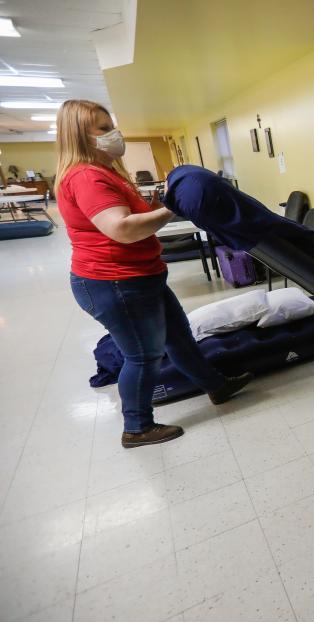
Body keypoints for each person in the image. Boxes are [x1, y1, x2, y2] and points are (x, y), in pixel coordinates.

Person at [55, 100, 252, 448]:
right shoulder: (87, 176)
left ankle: (217, 387)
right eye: (102, 128)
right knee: (143, 355)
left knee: (178, 337)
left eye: (110, 125)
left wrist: (162, 204)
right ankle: (137, 428)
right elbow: (123, 229)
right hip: (114, 282)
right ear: (79, 135)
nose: (113, 134)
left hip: (141, 275)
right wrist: (171, 208)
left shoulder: (106, 170)